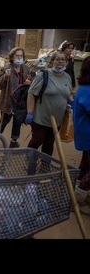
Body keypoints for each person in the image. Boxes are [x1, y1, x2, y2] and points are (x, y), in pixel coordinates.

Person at [25, 50, 74, 156]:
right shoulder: (43, 75)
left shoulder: (67, 77)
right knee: (37, 140)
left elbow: (68, 93)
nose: (60, 62)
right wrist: (30, 112)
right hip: (41, 118)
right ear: (52, 62)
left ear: (66, 62)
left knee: (49, 143)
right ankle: (29, 160)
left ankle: (45, 165)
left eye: (63, 60)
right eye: (57, 59)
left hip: (58, 120)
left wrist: (72, 102)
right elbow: (31, 93)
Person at [0, 47, 32, 147]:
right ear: (12, 57)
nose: (19, 58)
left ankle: (14, 141)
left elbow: (33, 84)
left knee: (18, 121)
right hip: (8, 100)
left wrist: (29, 83)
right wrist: (5, 77)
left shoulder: (26, 69)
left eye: (21, 56)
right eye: (17, 56)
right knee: (4, 120)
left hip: (20, 101)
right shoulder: (6, 68)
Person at [73, 55, 90, 213]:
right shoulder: (86, 90)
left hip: (86, 134)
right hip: (87, 133)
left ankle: (77, 187)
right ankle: (79, 197)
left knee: (86, 163)